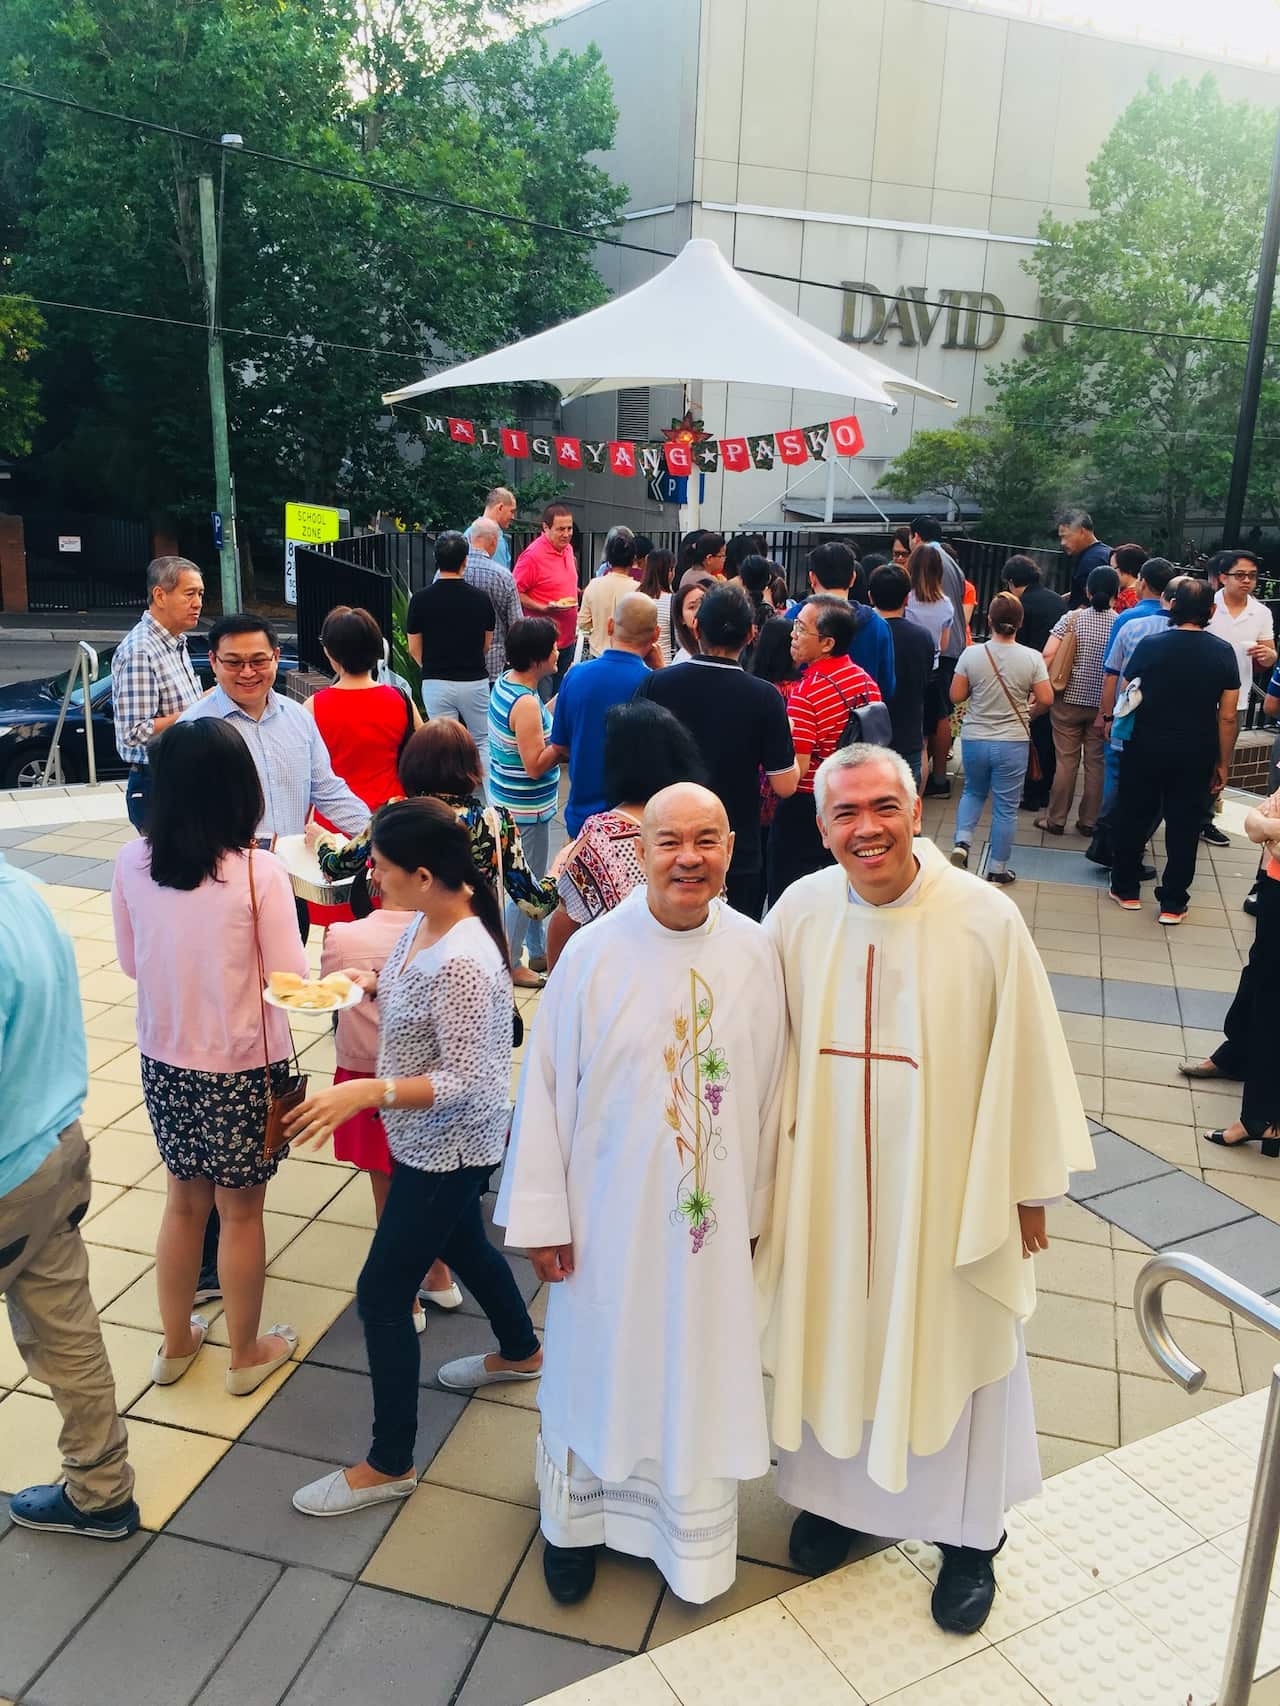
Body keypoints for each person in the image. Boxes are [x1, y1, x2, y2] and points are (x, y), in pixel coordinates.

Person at [756, 743, 1092, 1633]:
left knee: (950, 1333)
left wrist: (1025, 1190)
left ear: (916, 809)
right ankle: (837, 1502)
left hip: (944, 1193)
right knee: (835, 1331)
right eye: (844, 814)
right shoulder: (797, 911)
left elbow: (1022, 1055)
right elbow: (762, 1056)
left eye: (883, 808)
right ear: (821, 826)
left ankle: (970, 1536)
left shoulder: (982, 919)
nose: (866, 829)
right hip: (826, 1189)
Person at [497, 782, 785, 1605]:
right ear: (642, 851)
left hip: (711, 1229)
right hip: (606, 1220)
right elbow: (544, 1095)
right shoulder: (590, 954)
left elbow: (774, 1095)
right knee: (598, 1362)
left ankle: (686, 1542)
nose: (688, 858)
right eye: (669, 841)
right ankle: (574, 1525)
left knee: (694, 1364)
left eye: (707, 839)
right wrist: (543, 1219)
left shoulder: (756, 952)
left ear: (731, 847)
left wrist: (760, 1215)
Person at [288, 800, 543, 1518]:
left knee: (380, 1294)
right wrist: (360, 986)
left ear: (425, 874)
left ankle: (390, 1461)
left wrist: (368, 1090)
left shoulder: (464, 956)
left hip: (449, 1147)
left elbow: (472, 1079)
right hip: (429, 1143)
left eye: (382, 867)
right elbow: (410, 990)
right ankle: (521, 1350)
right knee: (463, 1241)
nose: (372, 875)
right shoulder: (430, 922)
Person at [112, 720, 305, 1397]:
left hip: (163, 1059)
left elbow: (133, 963)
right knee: (242, 1212)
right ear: (239, 790)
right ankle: (246, 1354)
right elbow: (288, 979)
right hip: (243, 1066)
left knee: (183, 1204)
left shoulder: (132, 862)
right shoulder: (260, 872)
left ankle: (174, 1345)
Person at [3, 853, 140, 1541]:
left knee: (63, 1326)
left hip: (5, 1171)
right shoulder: (23, 891)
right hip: (58, 1143)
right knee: (66, 1324)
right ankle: (101, 1488)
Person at [320, 904, 453, 1331]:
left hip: (366, 1070)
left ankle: (405, 1297)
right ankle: (438, 1273)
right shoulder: (449, 932)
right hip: (428, 1076)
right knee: (430, 1183)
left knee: (387, 1189)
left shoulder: (343, 936)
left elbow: (329, 996)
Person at [639, 584, 798, 918]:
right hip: (733, 845)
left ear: (696, 627)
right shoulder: (764, 696)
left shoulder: (657, 684)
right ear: (751, 634)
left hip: (667, 840)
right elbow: (785, 784)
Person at [312, 720, 559, 928]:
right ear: (472, 765)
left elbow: (336, 867)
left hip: (408, 939)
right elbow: (536, 906)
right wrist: (559, 869)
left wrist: (322, 840)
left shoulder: (395, 814)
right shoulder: (495, 822)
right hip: (474, 943)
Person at [1109, 575, 1239, 923]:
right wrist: (1223, 763)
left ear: (1173, 605)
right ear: (1212, 610)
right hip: (1196, 750)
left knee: (1134, 815)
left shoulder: (1151, 646)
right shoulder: (1223, 652)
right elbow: (1227, 717)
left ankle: (1125, 889)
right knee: (1184, 826)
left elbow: (1127, 690)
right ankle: (1172, 903)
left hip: (1145, 745)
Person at [545, 700, 706, 971]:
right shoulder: (697, 820)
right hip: (691, 973)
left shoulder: (601, 834)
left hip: (619, 979)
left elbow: (566, 919)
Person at [305, 605, 418, 931]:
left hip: (334, 826)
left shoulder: (314, 707)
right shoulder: (400, 700)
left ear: (329, 653)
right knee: (393, 922)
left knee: (338, 928)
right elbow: (424, 755)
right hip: (390, 823)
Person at [1181, 785, 1280, 1155]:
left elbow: (1265, 825)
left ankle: (1263, 1118)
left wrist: (1271, 829)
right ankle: (1238, 1055)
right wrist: (1269, 829)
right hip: (1275, 886)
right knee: (1257, 979)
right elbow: (1255, 824)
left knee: (1273, 1001)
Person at [769, 597, 881, 905]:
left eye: (802, 629)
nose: (793, 634)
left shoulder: (806, 693)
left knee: (790, 895)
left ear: (827, 643)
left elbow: (798, 771)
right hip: (852, 797)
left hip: (807, 807)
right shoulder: (866, 682)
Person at [950, 593, 1053, 885]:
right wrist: (1029, 714)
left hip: (975, 737)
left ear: (988, 620)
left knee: (973, 792)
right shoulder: (1032, 657)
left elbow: (956, 695)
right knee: (1006, 806)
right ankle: (997, 868)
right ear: (1020, 623)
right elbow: (1046, 698)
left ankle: (962, 842)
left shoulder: (971, 654)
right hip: (1013, 741)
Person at [1088, 557, 1179, 867]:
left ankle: (1107, 842)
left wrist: (1106, 714)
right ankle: (1131, 846)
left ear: (1142, 581)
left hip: (1126, 716)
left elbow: (1111, 673)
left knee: (1116, 778)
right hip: (1165, 725)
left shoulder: (1128, 621)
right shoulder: (1180, 625)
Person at [488, 617, 562, 986]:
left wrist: (558, 706)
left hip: (507, 799)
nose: (558, 651)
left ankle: (536, 951)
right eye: (552, 647)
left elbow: (531, 728)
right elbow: (535, 765)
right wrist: (562, 746)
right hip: (526, 808)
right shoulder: (526, 703)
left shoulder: (508, 685)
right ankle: (509, 960)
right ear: (538, 659)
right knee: (524, 889)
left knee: (527, 880)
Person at [550, 592, 659, 837]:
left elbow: (561, 746)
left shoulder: (576, 675)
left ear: (610, 626)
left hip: (581, 821)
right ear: (656, 635)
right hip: (634, 825)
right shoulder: (653, 683)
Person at [110, 555, 205, 830]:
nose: (198, 603)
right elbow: (134, 732)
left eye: (200, 594)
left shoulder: (174, 641)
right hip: (159, 784)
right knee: (172, 871)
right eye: (189, 594)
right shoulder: (141, 651)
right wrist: (197, 710)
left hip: (182, 776)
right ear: (160, 596)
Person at [405, 531, 495, 787]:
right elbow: (486, 644)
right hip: (474, 680)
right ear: (465, 560)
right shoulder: (480, 599)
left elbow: (413, 648)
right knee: (482, 740)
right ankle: (492, 803)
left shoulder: (420, 600)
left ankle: (448, 799)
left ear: (436, 559)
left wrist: (431, 665)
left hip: (436, 681)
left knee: (443, 744)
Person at [1037, 566, 1118, 836]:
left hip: (1067, 699)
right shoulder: (1120, 622)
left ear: (1087, 590)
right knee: (1095, 764)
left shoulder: (1072, 618)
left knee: (1066, 761)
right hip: (1101, 705)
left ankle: (1056, 819)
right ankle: (1089, 822)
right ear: (1116, 594)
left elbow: (1048, 654)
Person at [1205, 548, 1277, 847]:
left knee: (1222, 760)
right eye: (1240, 575)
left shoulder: (1260, 612)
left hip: (1238, 698)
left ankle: (1205, 818)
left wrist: (1268, 654)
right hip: (1201, 694)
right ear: (1223, 577)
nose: (1247, 581)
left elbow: (1270, 653)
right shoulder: (1208, 605)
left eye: (1252, 576)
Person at [1000, 554, 1065, 811]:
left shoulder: (1020, 605)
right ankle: (1044, 788)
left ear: (1013, 581)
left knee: (1026, 734)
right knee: (1047, 735)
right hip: (1054, 676)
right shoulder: (1056, 601)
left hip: (1027, 674)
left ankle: (1030, 789)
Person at [789, 543, 896, 699]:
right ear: (853, 578)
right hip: (860, 716)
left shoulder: (792, 619)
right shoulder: (878, 625)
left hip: (802, 716)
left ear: (812, 578)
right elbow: (887, 687)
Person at [909, 518, 968, 798]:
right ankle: (938, 777)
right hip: (947, 649)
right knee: (939, 713)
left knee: (937, 716)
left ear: (915, 537)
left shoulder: (931, 558)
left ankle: (939, 778)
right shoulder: (946, 558)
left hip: (937, 656)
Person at [869, 564, 935, 789]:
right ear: (907, 598)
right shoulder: (922, 637)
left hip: (870, 734)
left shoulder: (863, 635)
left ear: (870, 597)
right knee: (906, 806)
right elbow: (927, 679)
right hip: (909, 733)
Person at [514, 502, 580, 698]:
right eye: (560, 529)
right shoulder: (532, 556)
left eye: (569, 528)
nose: (567, 534)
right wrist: (543, 607)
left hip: (567, 639)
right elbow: (515, 591)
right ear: (545, 528)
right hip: (543, 643)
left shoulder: (567, 549)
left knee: (562, 697)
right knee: (544, 701)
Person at [463, 517, 524, 683]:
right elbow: (516, 624)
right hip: (493, 663)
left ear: (469, 538)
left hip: (455, 663)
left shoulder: (447, 573)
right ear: (494, 542)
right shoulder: (503, 576)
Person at [578, 532, 640, 655]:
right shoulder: (638, 590)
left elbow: (583, 622)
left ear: (609, 559)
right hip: (627, 655)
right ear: (633, 559)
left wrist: (598, 625)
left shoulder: (594, 585)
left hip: (597, 653)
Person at [903, 544, 955, 667]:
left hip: (904, 661)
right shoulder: (946, 604)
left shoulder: (904, 598)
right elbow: (943, 646)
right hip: (931, 665)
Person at [1057, 506, 1112, 608]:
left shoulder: (1091, 561)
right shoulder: (1104, 552)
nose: (1062, 543)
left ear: (1082, 532)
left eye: (1065, 536)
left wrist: (1070, 621)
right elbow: (1080, 593)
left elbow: (1090, 603)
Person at [463, 485, 516, 569]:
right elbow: (500, 577)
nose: (513, 517)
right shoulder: (494, 537)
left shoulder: (468, 533)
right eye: (511, 511)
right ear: (500, 508)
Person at [639, 547, 676, 665]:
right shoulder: (673, 601)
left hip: (639, 664)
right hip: (666, 664)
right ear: (669, 571)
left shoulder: (635, 598)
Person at [670, 574, 712, 665]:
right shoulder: (683, 660)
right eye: (692, 607)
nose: (699, 610)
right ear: (681, 618)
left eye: (703, 603)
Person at [1110, 543, 1148, 614]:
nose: (1111, 572)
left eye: (1113, 568)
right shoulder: (1148, 593)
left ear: (1127, 568)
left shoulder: (1123, 598)